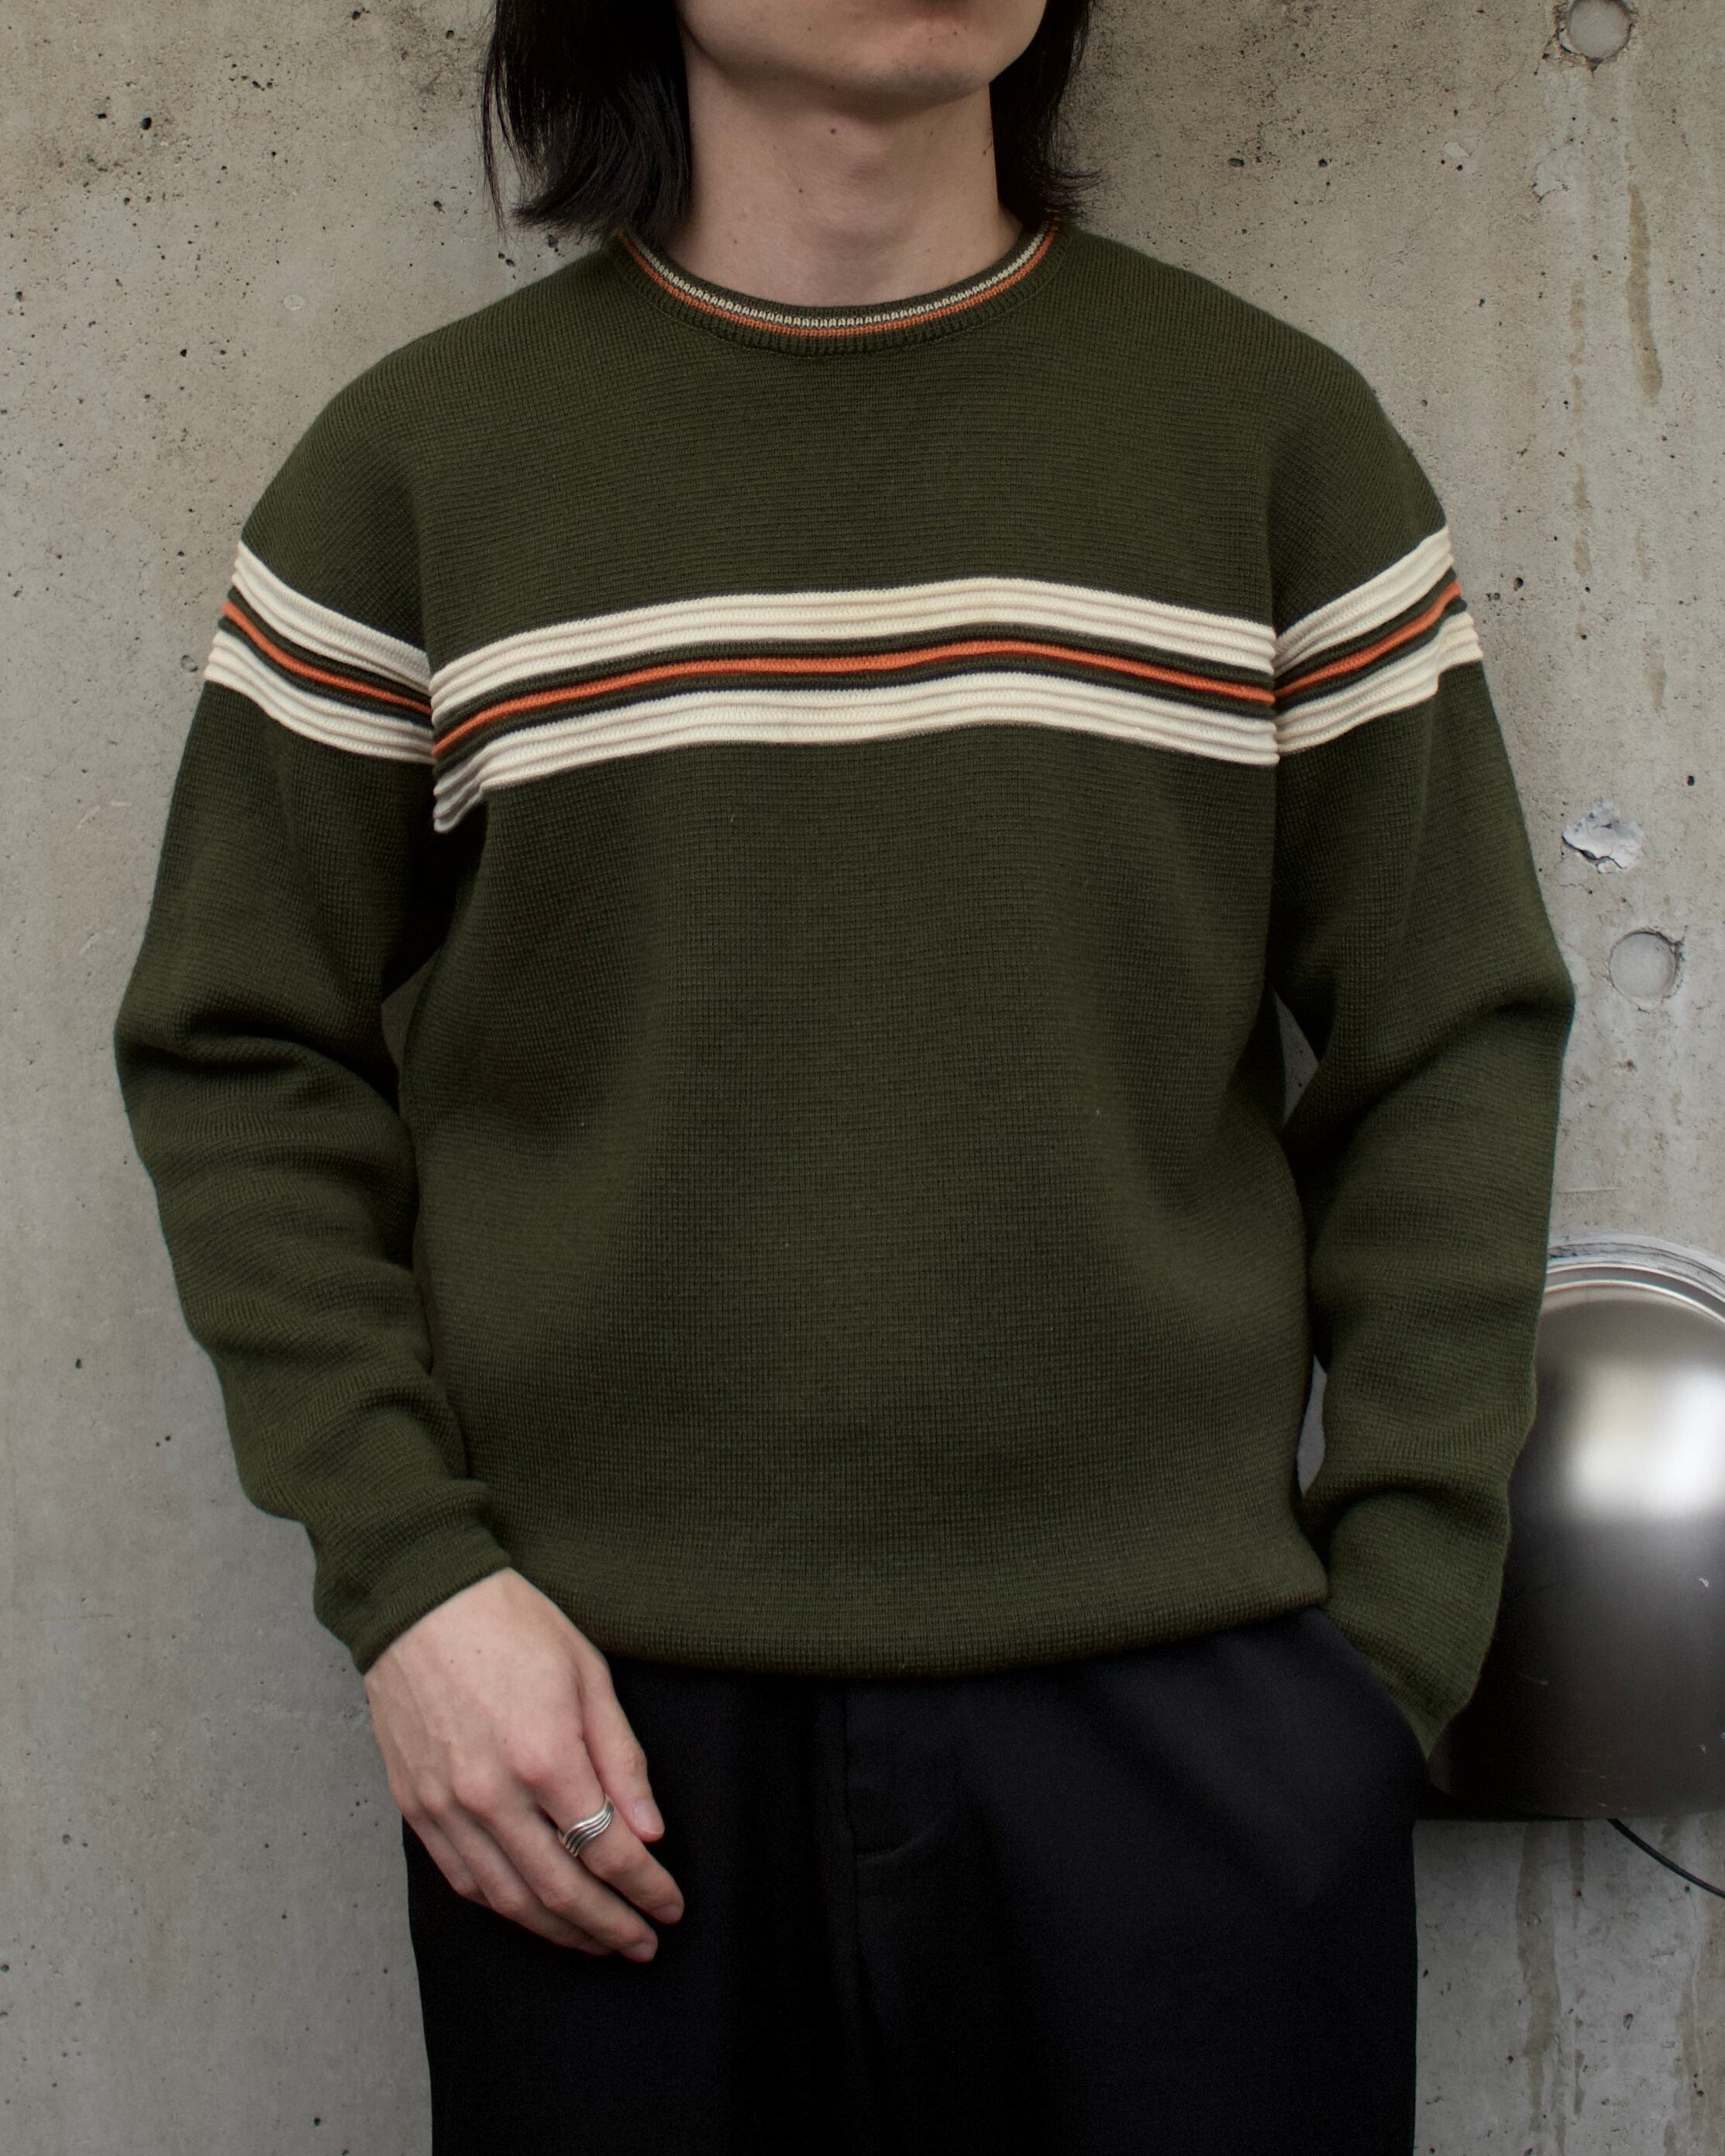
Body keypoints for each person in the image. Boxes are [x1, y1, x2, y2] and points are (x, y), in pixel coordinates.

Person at [111, 1, 1576, 2149]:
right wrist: (414, 1590)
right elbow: (236, 1046)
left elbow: (1448, 1035)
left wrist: (1385, 1660)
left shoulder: (1270, 437)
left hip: (1194, 1740)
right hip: (601, 1758)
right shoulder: (418, 469)